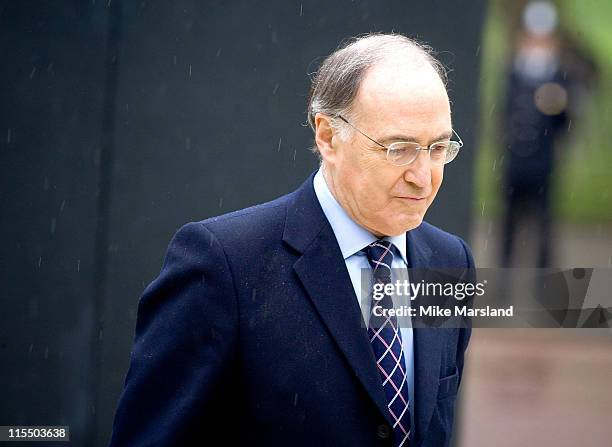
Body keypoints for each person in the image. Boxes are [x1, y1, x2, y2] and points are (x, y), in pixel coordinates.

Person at [109, 33, 474, 447]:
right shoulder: (224, 263)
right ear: (328, 136)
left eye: (438, 148)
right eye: (399, 149)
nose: (423, 177)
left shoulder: (450, 260)